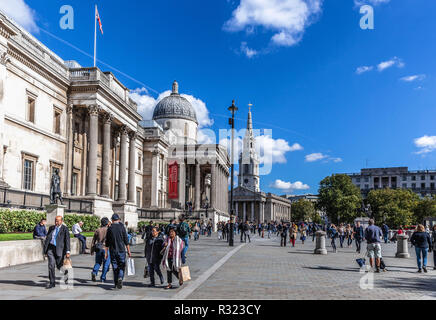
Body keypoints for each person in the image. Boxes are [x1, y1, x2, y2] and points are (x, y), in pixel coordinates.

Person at [105, 214, 131, 290]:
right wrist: (129, 251)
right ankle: (120, 277)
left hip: (113, 251)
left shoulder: (110, 228)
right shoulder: (122, 227)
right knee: (122, 266)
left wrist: (106, 253)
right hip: (121, 250)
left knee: (115, 267)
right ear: (118, 219)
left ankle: (116, 283)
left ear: (112, 220)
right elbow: (126, 240)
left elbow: (107, 242)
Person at [43, 216, 70, 289]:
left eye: (58, 221)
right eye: (55, 221)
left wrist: (68, 251)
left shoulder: (65, 229)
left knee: (59, 266)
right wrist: (45, 250)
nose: (56, 222)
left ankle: (65, 273)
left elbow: (67, 240)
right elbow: (48, 239)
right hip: (50, 249)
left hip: (59, 250)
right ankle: (52, 282)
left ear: (61, 221)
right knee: (51, 265)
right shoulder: (52, 228)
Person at [91, 217, 111, 283]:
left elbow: (93, 241)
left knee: (98, 262)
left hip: (99, 248)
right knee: (106, 264)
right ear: (107, 223)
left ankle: (94, 272)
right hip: (106, 248)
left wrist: (92, 250)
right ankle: (103, 278)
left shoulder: (98, 230)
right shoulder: (109, 230)